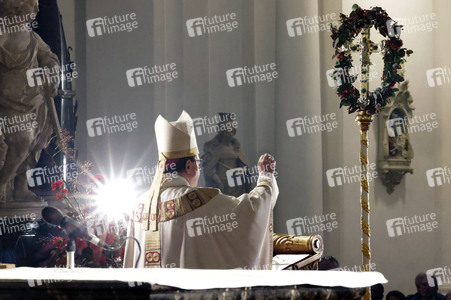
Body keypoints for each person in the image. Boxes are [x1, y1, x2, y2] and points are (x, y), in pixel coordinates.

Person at [124, 111, 278, 269]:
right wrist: (266, 178)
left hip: (147, 293)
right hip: (184, 293)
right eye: (198, 162)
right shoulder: (198, 200)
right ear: (189, 166)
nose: (200, 167)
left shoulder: (140, 204)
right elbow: (248, 214)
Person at [0, 0, 60, 202]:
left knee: (34, 143)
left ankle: (20, 187)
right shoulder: (2, 35)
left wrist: (51, 69)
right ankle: (2, 183)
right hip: (9, 103)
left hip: (33, 101)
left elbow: (48, 56)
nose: (36, 10)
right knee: (22, 141)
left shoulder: (32, 37)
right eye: (31, 5)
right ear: (15, 7)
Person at [202, 113, 252, 197]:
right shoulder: (214, 148)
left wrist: (242, 171)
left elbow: (244, 164)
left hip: (236, 184)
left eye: (231, 131)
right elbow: (209, 170)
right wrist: (219, 183)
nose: (229, 133)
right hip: (220, 182)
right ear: (221, 131)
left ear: (234, 131)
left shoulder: (236, 147)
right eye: (226, 131)